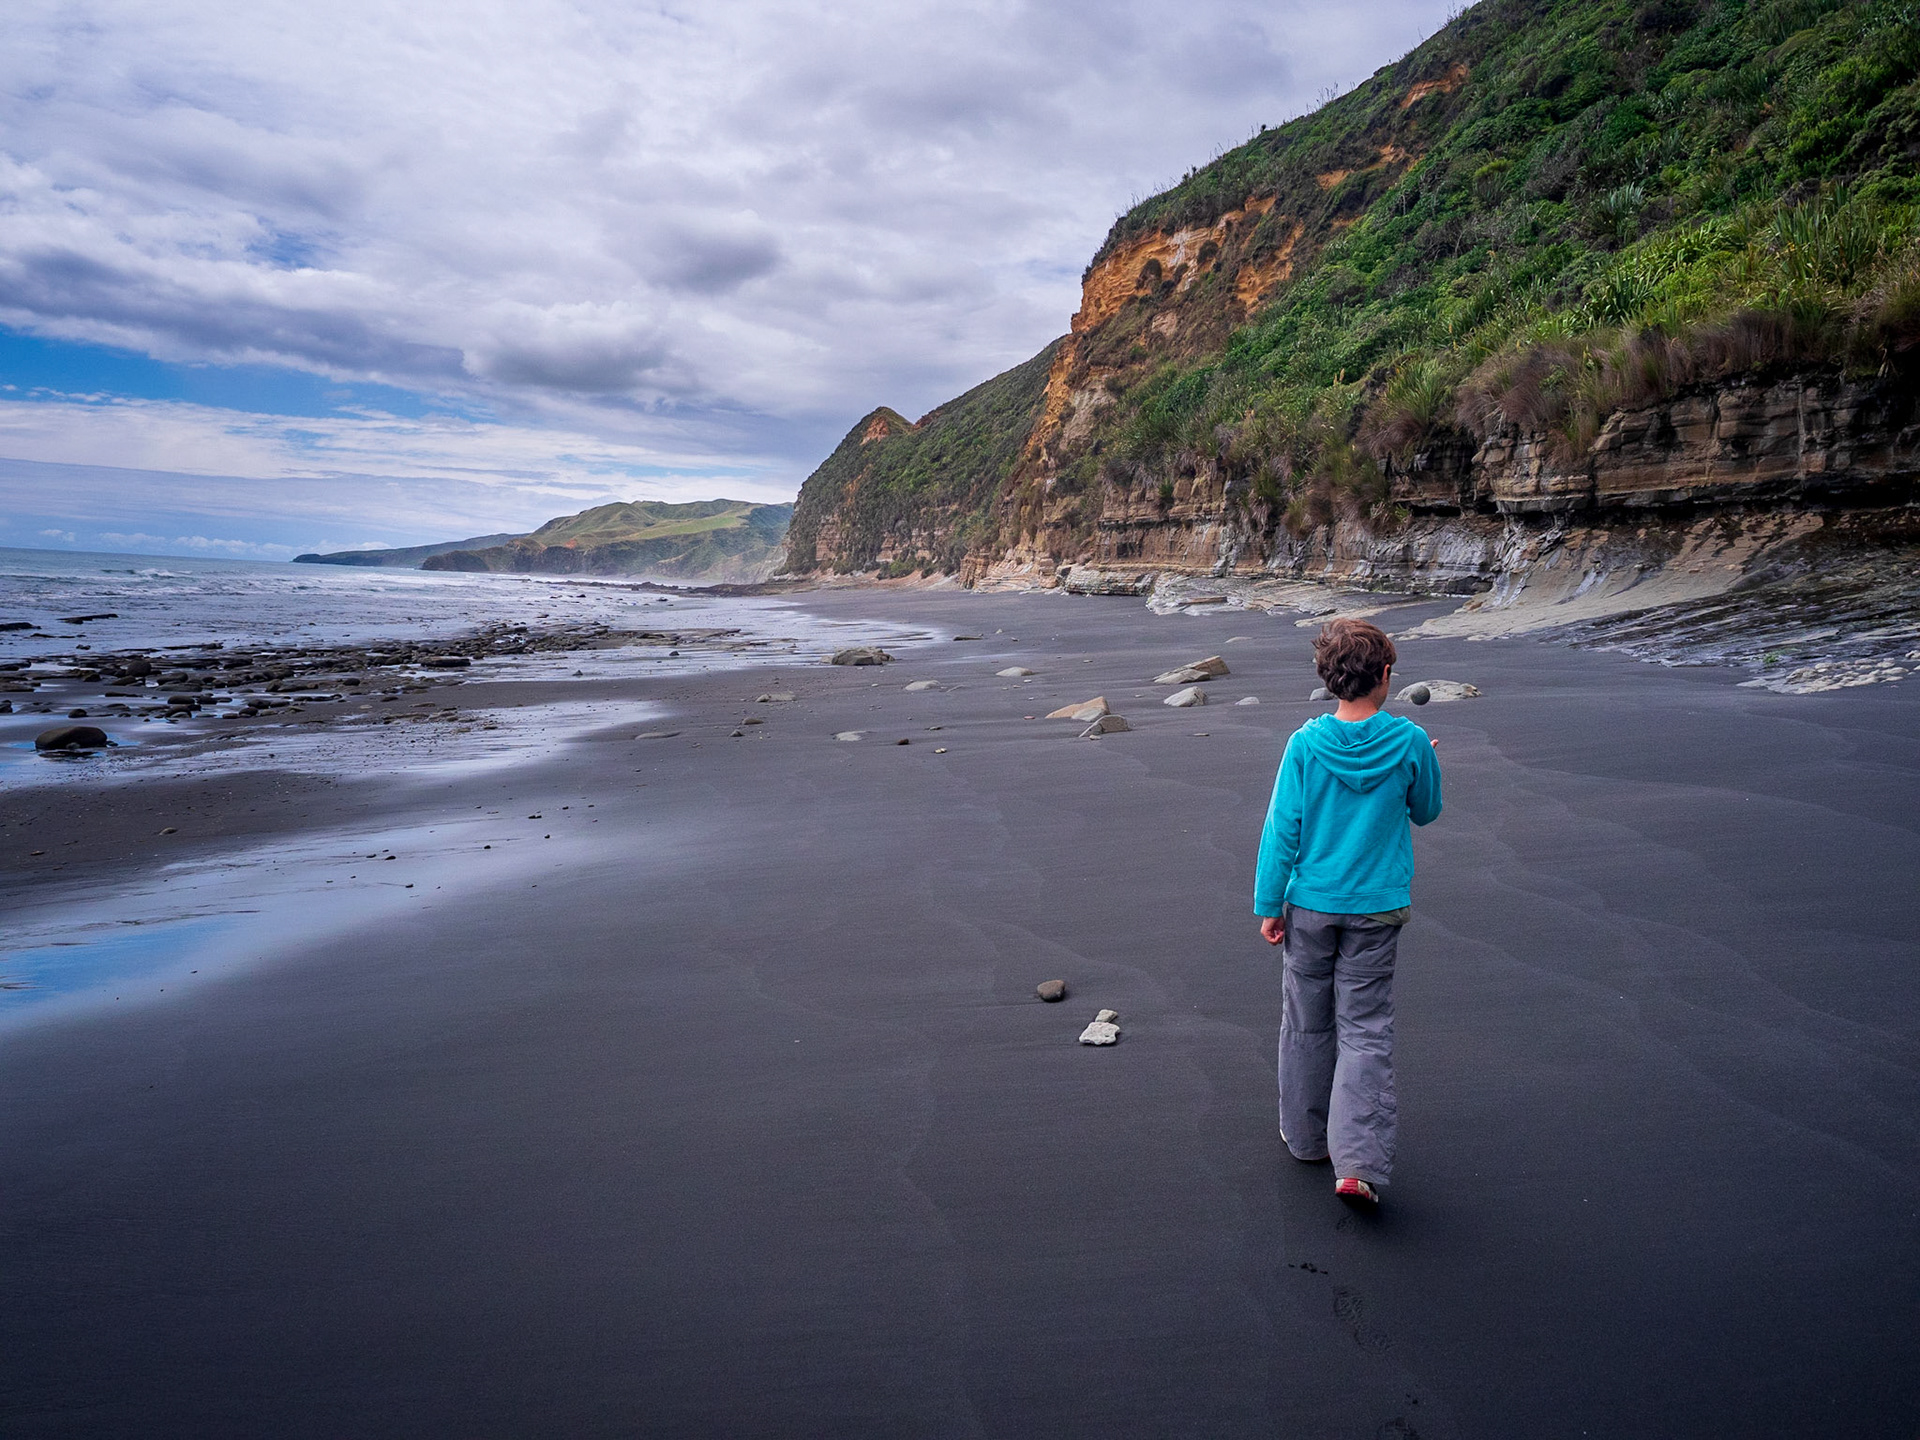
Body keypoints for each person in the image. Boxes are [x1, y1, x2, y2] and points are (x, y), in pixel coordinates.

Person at [1254, 618, 1441, 1208]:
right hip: (1376, 909)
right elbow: (1427, 810)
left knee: (1307, 1020)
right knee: (1365, 1030)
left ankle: (1308, 1139)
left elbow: (1282, 830)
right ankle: (1356, 1163)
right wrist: (1424, 761)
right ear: (1385, 676)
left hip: (1309, 905)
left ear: (1330, 679)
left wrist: (1268, 904)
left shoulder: (1305, 744)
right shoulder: (1409, 741)